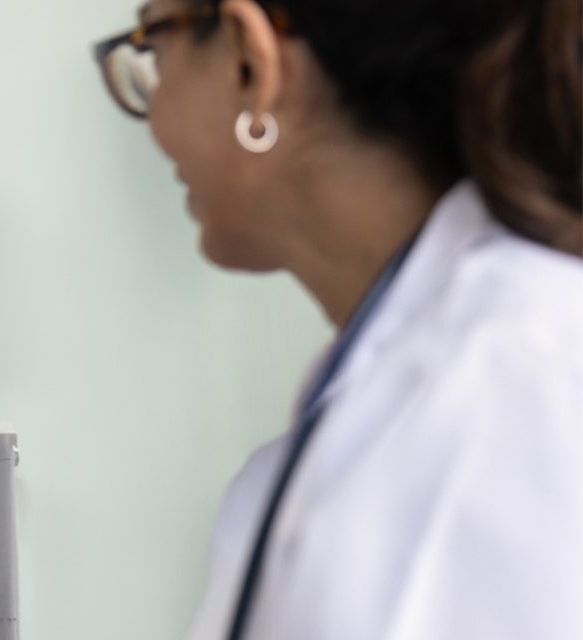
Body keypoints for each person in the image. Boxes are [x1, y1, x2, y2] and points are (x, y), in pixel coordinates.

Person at [92, 0, 581, 638]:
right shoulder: (397, 392)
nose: (152, 113)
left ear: (250, 62)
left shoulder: (502, 407)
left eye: (155, 46)